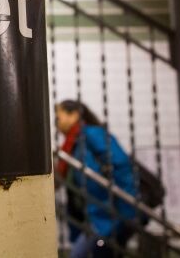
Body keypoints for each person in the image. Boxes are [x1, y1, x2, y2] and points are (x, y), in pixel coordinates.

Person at [56, 100, 137, 258]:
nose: (56, 123)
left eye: (59, 117)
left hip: (108, 213)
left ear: (74, 115)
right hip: (94, 214)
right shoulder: (73, 143)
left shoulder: (91, 134)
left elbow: (122, 166)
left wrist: (127, 206)